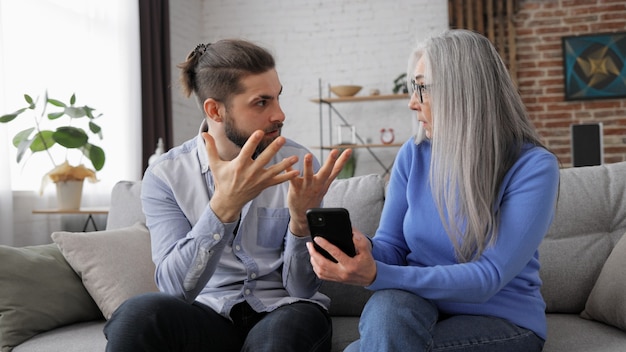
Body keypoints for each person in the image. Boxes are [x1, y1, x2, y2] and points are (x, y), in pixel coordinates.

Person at [307, 29, 560, 352]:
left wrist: (377, 275)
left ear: (462, 91)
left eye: (422, 88)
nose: (412, 103)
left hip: (501, 320)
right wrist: (363, 250)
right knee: (387, 313)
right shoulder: (414, 155)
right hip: (418, 305)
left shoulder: (533, 167)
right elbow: (393, 247)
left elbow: (488, 277)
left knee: (382, 342)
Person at [104, 39, 352, 352]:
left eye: (278, 98)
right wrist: (223, 207)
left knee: (279, 339)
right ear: (215, 110)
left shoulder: (298, 165)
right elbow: (174, 289)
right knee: (137, 315)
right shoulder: (166, 177)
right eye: (262, 102)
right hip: (209, 313)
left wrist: (301, 223)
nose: (280, 114)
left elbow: (302, 287)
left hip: (285, 309)